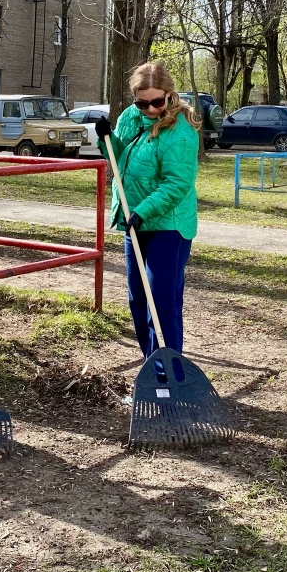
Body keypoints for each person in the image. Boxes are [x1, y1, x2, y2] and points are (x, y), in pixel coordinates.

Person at [96, 63, 200, 361]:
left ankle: (170, 374)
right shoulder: (131, 117)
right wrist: (107, 139)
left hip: (168, 225)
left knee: (161, 303)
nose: (151, 109)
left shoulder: (180, 132)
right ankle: (151, 368)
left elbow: (176, 184)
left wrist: (142, 211)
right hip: (135, 223)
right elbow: (120, 158)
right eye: (143, 103)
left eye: (157, 101)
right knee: (138, 300)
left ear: (169, 94)